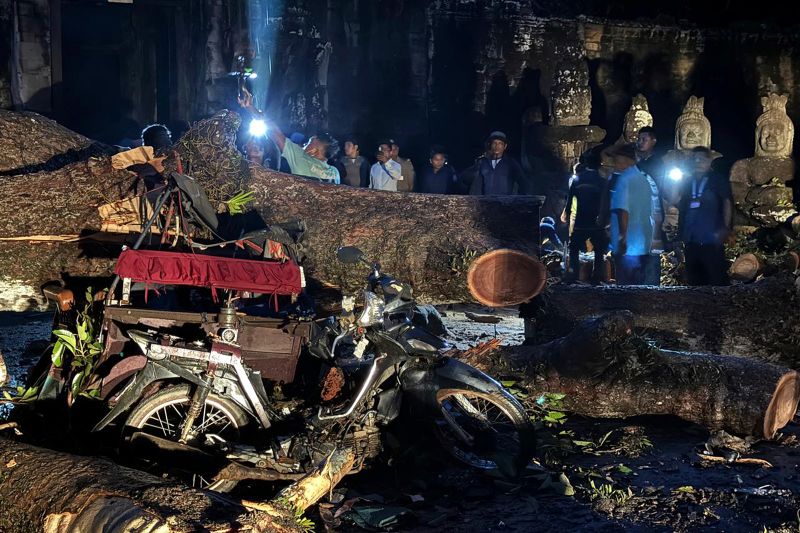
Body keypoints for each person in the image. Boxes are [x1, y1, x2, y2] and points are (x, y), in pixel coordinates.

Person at [238, 89, 340, 184]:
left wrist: (250, 107)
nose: (304, 145)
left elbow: (274, 132)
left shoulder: (300, 157)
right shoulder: (335, 174)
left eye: (309, 143)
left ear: (314, 151)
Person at [608, 143, 662, 285]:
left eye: (618, 161)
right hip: (643, 242)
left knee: (625, 284)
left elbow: (623, 210)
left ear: (628, 160)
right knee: (639, 283)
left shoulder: (624, 180)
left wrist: (622, 237)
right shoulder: (646, 180)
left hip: (628, 243)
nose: (616, 165)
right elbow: (655, 212)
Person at [678, 146, 732, 286]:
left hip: (711, 238)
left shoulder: (717, 179)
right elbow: (680, 204)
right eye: (695, 159)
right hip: (692, 239)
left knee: (714, 277)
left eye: (701, 159)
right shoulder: (688, 182)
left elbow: (727, 201)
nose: (698, 162)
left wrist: (725, 227)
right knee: (694, 278)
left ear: (709, 161)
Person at [562, 148, 607, 283]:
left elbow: (570, 201)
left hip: (580, 221)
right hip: (596, 221)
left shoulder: (578, 179)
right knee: (599, 251)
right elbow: (606, 203)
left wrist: (567, 217)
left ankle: (573, 275)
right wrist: (605, 219)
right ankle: (597, 276)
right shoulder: (602, 181)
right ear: (599, 164)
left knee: (574, 248)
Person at [468, 131, 527, 195]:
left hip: (505, 203)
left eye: (500, 143)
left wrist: (515, 201)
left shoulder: (511, 163)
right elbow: (475, 185)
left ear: (505, 146)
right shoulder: (482, 163)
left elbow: (524, 184)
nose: (497, 146)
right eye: (494, 143)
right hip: (485, 202)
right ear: (490, 145)